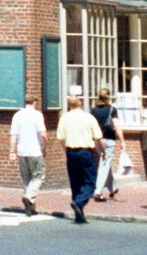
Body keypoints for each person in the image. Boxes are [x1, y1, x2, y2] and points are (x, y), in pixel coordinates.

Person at [56, 95, 104, 223]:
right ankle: (79, 202)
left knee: (75, 182)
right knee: (90, 182)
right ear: (80, 103)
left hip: (71, 152)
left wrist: (66, 152)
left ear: (68, 105)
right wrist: (103, 151)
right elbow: (98, 138)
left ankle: (79, 214)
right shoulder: (88, 117)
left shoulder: (64, 118)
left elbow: (60, 138)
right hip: (85, 152)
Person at [9, 94, 47, 216]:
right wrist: (45, 146)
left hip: (22, 152)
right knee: (38, 176)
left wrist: (12, 151)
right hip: (35, 151)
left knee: (26, 179)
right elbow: (43, 134)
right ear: (35, 102)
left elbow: (13, 135)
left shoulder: (17, 115)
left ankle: (30, 208)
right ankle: (29, 197)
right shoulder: (37, 115)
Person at [90, 88, 121, 202]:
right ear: (109, 97)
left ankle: (113, 187)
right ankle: (98, 192)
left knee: (106, 162)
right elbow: (116, 126)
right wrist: (122, 140)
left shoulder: (93, 111)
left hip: (98, 140)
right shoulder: (112, 110)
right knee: (104, 164)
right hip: (109, 139)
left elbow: (92, 126)